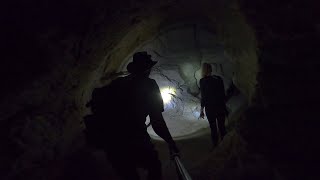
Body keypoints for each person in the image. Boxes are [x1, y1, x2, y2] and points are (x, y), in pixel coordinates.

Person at [101, 52, 179, 180]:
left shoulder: (117, 83)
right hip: (134, 138)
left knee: (129, 174)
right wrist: (170, 142)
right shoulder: (149, 84)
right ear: (148, 68)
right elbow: (157, 121)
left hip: (112, 142)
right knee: (154, 166)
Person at [199, 63, 227, 148]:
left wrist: (201, 110)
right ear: (211, 69)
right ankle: (225, 145)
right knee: (222, 127)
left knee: (213, 128)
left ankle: (216, 147)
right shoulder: (218, 79)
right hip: (220, 107)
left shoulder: (202, 81)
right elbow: (222, 94)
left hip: (210, 108)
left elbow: (203, 97)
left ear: (203, 71)